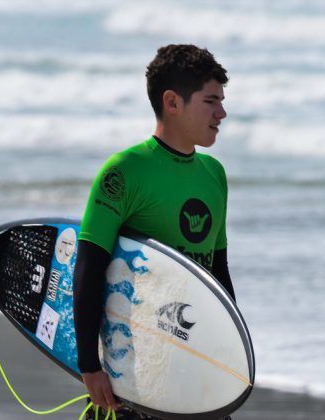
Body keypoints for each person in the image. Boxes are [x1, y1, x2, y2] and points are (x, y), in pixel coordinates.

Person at [73, 44, 235, 420]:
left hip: (192, 367)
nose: (222, 113)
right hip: (132, 373)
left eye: (222, 101)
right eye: (211, 101)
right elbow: (89, 269)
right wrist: (89, 365)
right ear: (173, 102)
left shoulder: (214, 175)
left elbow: (218, 274)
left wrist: (230, 357)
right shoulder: (125, 171)